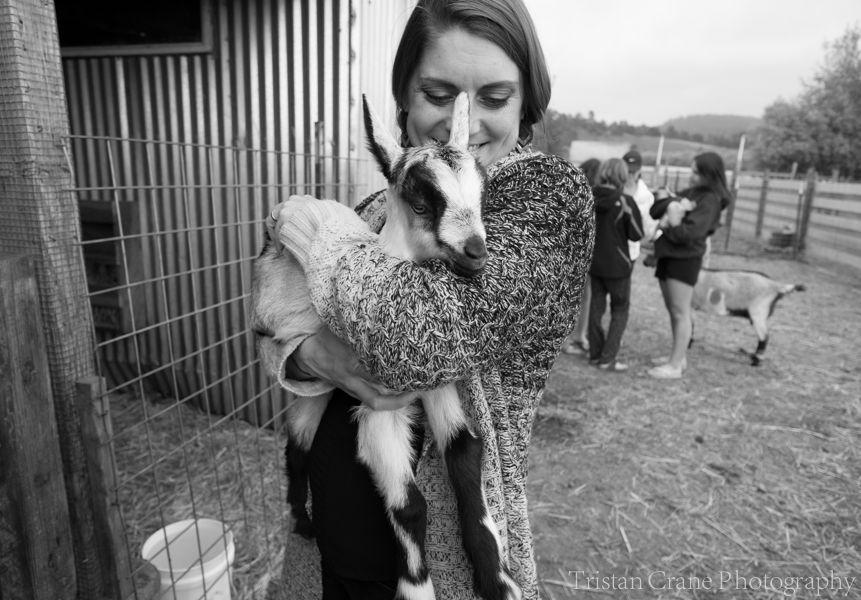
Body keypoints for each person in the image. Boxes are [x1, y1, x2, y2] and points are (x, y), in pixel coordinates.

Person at [260, 1, 595, 598]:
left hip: (443, 568)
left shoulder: (546, 199)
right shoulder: (377, 205)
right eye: (438, 93)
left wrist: (314, 230)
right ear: (404, 99)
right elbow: (271, 324)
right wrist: (312, 356)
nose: (459, 119)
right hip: (330, 546)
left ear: (527, 106)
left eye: (493, 98)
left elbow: (410, 339)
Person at [647, 152, 731, 379]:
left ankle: (675, 365)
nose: (691, 176)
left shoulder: (710, 199)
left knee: (681, 311)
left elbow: (689, 233)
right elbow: (655, 210)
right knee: (673, 310)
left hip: (685, 260)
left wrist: (668, 227)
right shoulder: (692, 193)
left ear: (709, 174)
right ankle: (678, 356)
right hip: (669, 256)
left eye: (696, 172)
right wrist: (673, 202)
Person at [586, 158, 643, 371]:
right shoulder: (625, 201)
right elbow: (636, 234)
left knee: (596, 308)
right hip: (619, 266)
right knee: (620, 310)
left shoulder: (588, 196)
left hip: (595, 264)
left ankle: (595, 354)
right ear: (622, 175)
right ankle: (607, 358)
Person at [561, 157, 600, 356]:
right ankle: (577, 337)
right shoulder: (596, 196)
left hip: (572, 253)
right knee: (584, 298)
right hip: (589, 255)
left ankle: (571, 338)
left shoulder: (575, 191)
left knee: (572, 298)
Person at [622, 150, 658, 262]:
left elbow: (649, 224)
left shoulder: (646, 196)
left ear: (640, 170)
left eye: (634, 171)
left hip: (631, 251)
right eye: (628, 171)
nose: (631, 175)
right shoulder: (613, 190)